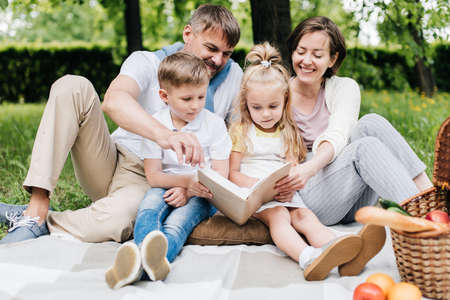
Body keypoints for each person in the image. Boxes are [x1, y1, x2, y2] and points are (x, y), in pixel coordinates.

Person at [0, 4, 242, 244]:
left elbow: (240, 138)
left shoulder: (233, 76)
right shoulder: (147, 62)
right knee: (72, 87)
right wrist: (166, 136)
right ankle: (36, 208)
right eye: (211, 48)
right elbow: (114, 101)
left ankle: (40, 220)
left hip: (153, 182)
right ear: (188, 34)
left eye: (227, 53)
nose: (218, 60)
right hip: (112, 160)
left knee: (116, 222)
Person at [275, 16, 433, 276]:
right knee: (363, 148)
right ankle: (421, 231)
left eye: (317, 54)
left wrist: (311, 167)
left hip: (348, 192)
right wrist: (303, 170)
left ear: (333, 59)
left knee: (370, 123)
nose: (306, 61)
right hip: (313, 198)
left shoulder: (345, 88)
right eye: (300, 51)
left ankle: (428, 203)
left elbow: (338, 133)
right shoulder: (279, 93)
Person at [228, 42, 363, 281]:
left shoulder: (287, 131)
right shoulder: (240, 131)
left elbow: (292, 167)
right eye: (257, 107)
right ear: (246, 104)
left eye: (273, 106)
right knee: (279, 216)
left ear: (285, 103)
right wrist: (260, 185)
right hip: (255, 193)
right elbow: (233, 174)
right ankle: (307, 257)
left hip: (284, 191)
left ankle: (342, 250)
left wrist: (285, 184)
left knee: (305, 217)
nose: (266, 114)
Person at [105, 52, 231, 289]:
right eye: (186, 99)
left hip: (204, 193)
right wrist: (184, 183)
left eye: (201, 97)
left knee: (176, 225)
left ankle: (137, 265)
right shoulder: (156, 125)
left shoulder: (214, 125)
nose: (195, 105)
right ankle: (148, 262)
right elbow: (153, 177)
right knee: (148, 210)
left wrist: (190, 191)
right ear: (164, 96)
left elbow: (220, 176)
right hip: (166, 183)